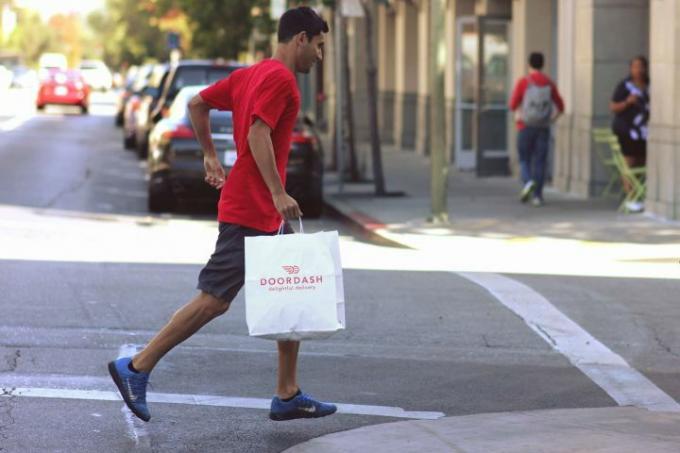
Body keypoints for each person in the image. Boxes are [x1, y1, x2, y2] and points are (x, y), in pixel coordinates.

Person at [108, 7, 336, 423]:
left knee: (291, 290)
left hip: (264, 212)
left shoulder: (250, 75)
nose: (320, 56)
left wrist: (210, 157)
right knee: (213, 300)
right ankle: (136, 366)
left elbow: (197, 104)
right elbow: (257, 133)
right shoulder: (282, 80)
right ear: (301, 38)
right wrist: (278, 191)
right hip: (252, 209)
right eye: (319, 46)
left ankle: (287, 392)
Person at [509, 52, 565, 206]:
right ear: (543, 64)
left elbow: (512, 104)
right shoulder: (549, 83)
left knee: (524, 159)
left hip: (525, 126)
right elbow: (561, 106)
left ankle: (527, 182)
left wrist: (519, 113)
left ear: (529, 64)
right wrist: (551, 119)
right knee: (540, 161)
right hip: (543, 127)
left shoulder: (524, 82)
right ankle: (538, 196)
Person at [609, 55, 649, 213]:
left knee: (642, 163)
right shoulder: (624, 86)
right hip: (627, 131)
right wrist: (627, 102)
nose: (638, 70)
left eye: (641, 66)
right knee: (630, 164)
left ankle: (639, 196)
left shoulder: (649, 86)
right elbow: (613, 106)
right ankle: (631, 197)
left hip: (645, 132)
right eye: (635, 66)